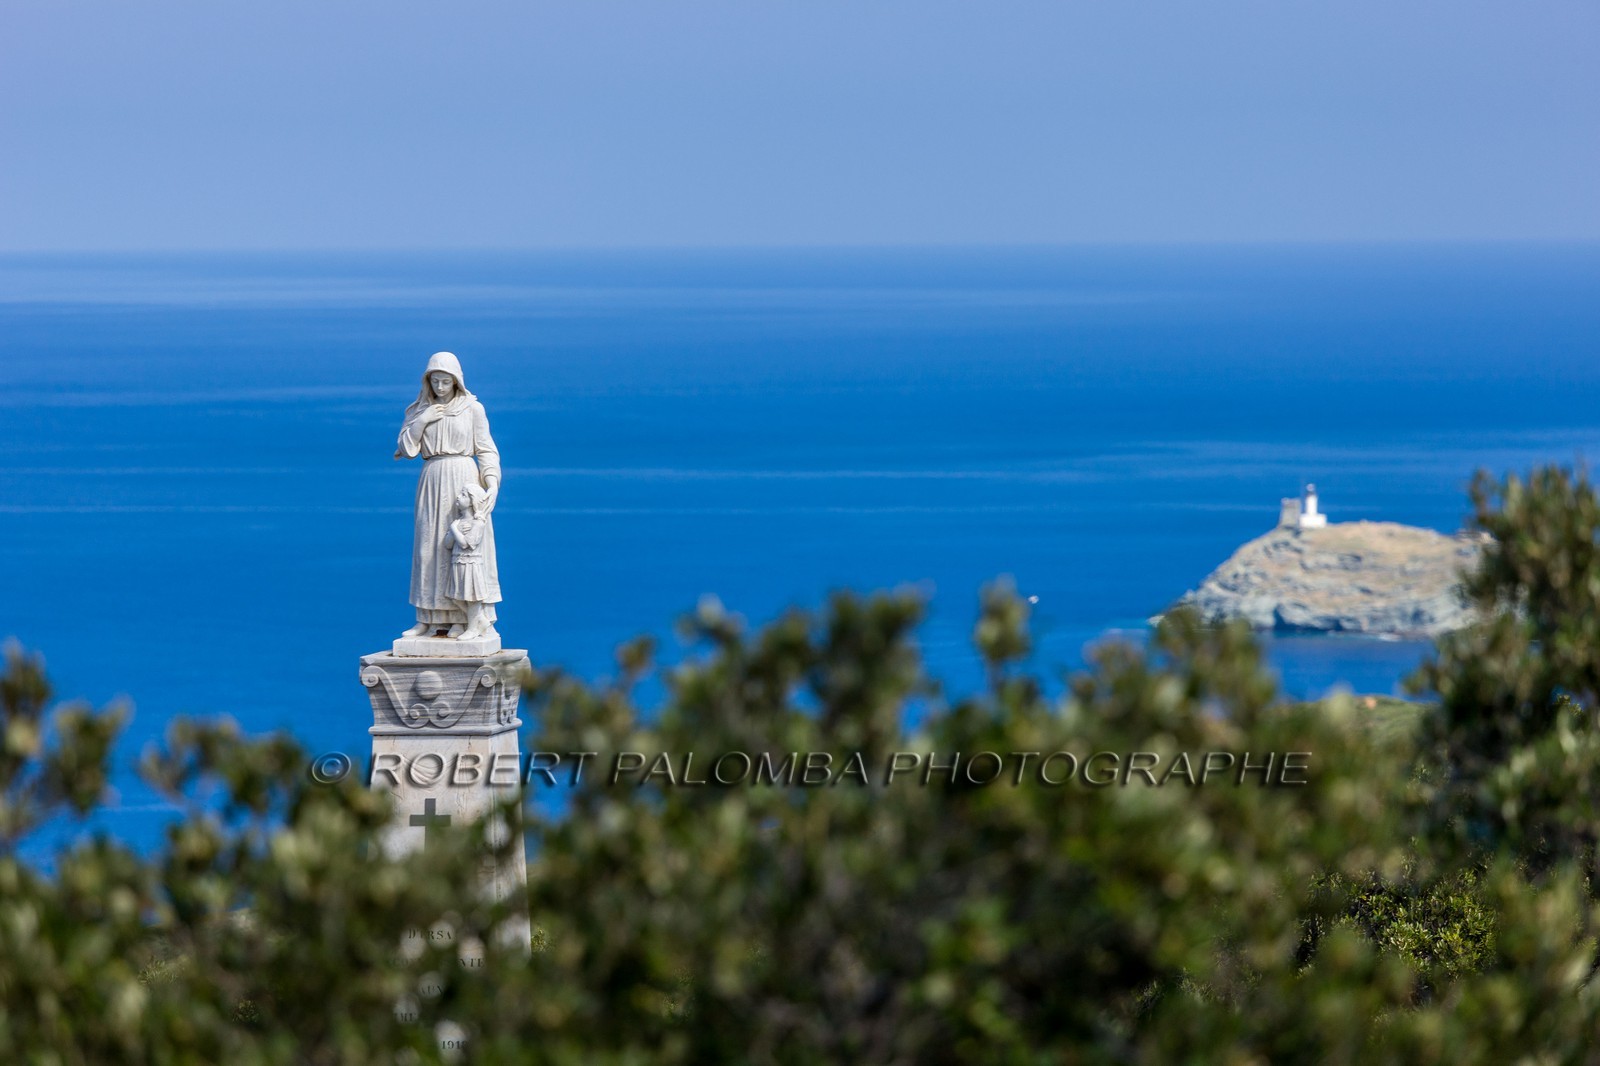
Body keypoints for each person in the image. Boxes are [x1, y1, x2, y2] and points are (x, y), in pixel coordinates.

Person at [395, 352, 503, 638]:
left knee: (462, 550)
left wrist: (491, 482)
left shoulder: (472, 409)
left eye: (446, 381)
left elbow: (486, 449)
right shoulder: (420, 409)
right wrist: (423, 420)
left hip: (464, 479)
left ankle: (464, 617)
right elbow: (407, 449)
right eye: (435, 381)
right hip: (432, 478)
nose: (441, 387)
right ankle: (429, 617)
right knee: (428, 549)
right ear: (427, 382)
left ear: (457, 382)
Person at [445, 483, 496, 641]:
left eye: (464, 495)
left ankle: (473, 628)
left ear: (472, 501)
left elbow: (466, 543)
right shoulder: (458, 522)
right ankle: (480, 620)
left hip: (471, 564)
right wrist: (454, 529)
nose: (458, 497)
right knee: (455, 597)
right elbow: (448, 544)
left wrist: (454, 530)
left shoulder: (478, 523)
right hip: (458, 563)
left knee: (472, 597)